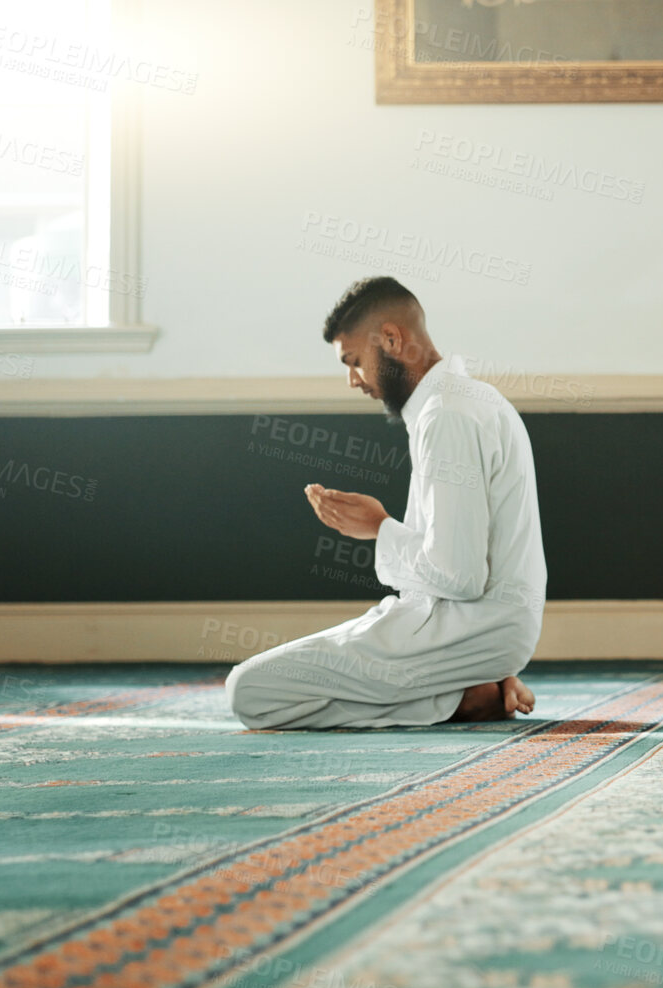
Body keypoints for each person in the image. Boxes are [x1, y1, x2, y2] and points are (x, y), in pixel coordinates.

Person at [226, 277, 547, 729]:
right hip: (478, 629)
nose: (353, 380)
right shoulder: (460, 400)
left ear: (392, 339)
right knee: (274, 683)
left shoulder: (446, 415)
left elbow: (460, 576)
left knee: (250, 691)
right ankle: (463, 690)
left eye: (354, 361)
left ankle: (463, 699)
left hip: (469, 627)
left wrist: (379, 528)